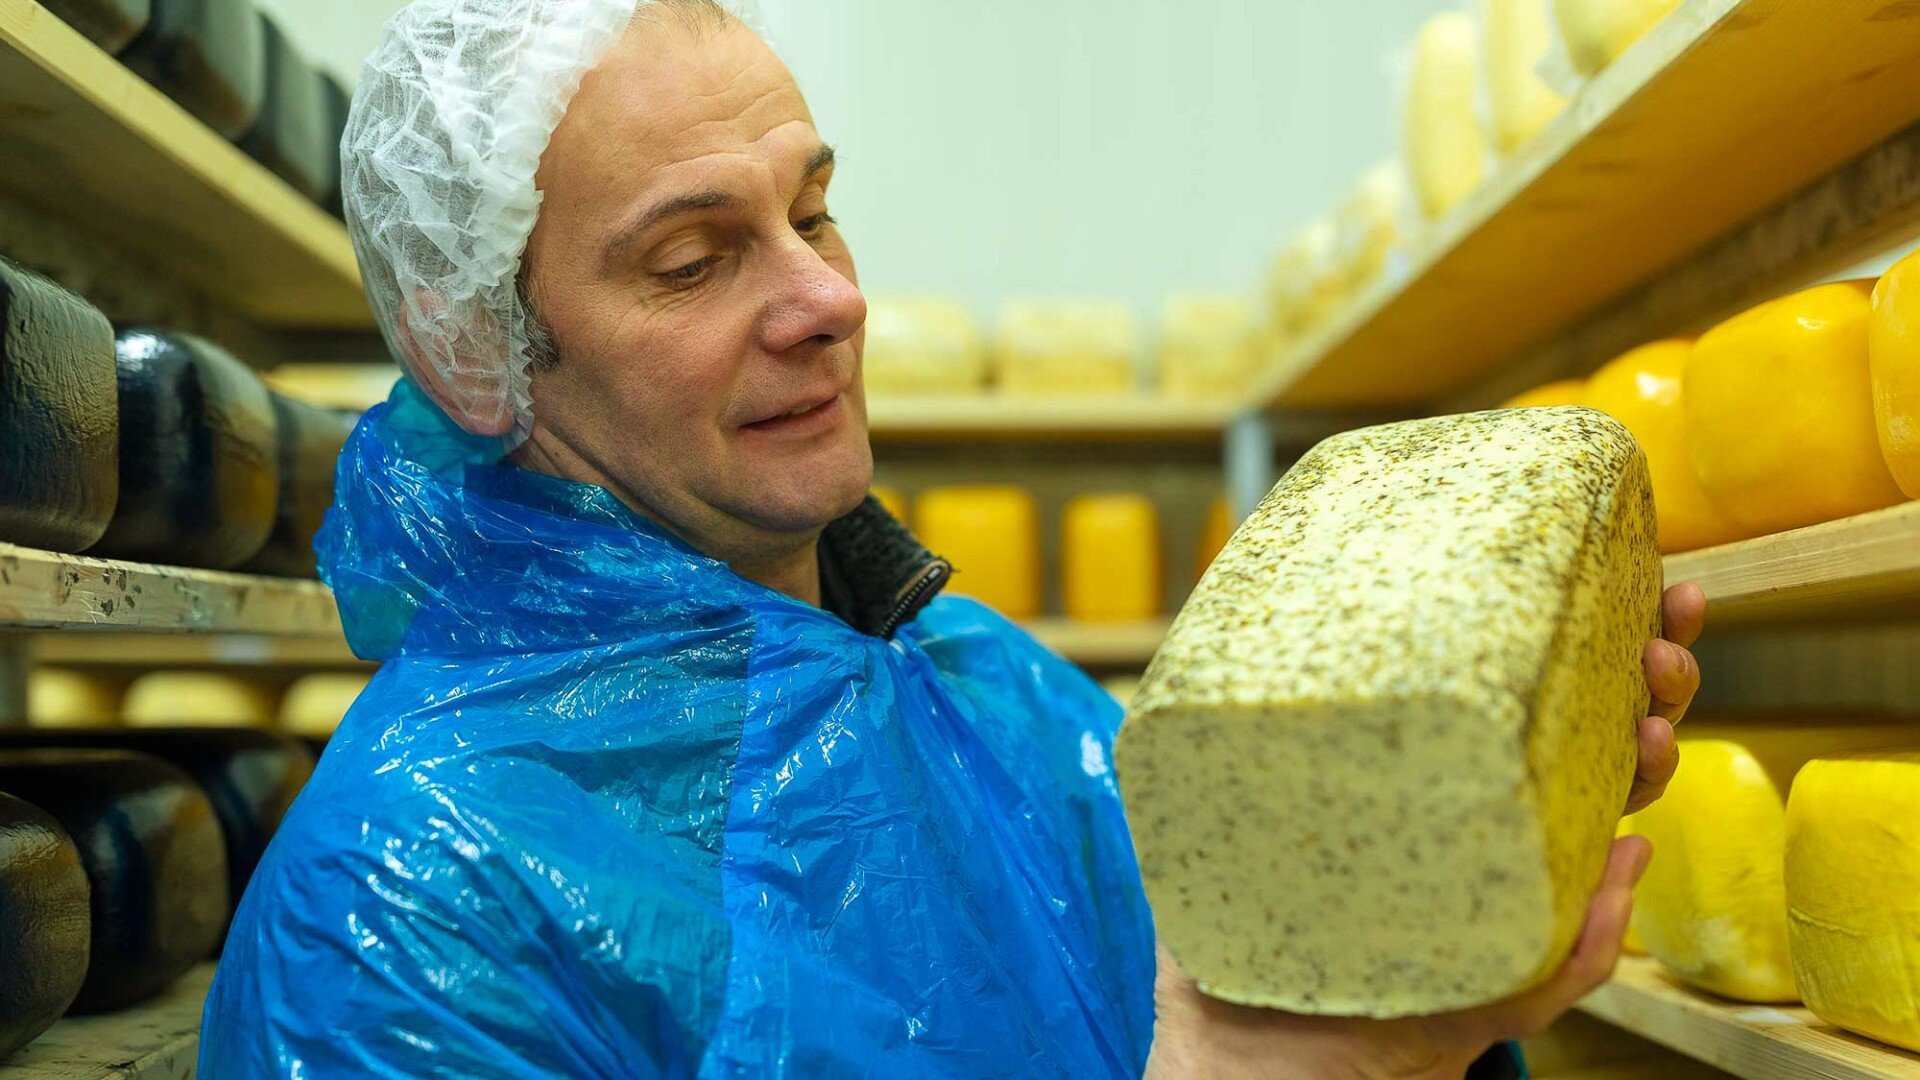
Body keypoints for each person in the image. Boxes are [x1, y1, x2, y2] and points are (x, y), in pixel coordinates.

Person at [199, 2, 1706, 1076]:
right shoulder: (404, 919)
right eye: (694, 258)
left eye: (815, 211)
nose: (828, 299)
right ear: (482, 358)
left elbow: (1290, 1012)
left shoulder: (989, 692)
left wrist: (1441, 932)